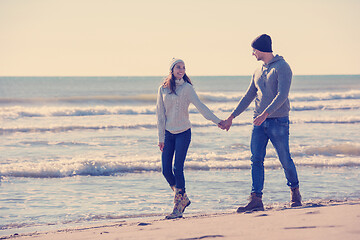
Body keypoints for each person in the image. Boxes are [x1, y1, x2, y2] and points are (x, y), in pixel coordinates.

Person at [222, 34, 302, 212]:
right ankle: (256, 199)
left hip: (278, 121)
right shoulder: (258, 71)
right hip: (258, 122)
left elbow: (282, 96)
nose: (252, 54)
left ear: (261, 49)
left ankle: (295, 192)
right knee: (256, 160)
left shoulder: (283, 67)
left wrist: (266, 114)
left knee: (284, 159)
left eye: (254, 50)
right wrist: (231, 117)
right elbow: (249, 96)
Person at [156, 58, 224, 219]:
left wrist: (218, 121)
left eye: (183, 68)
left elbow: (201, 107)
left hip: (183, 133)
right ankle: (183, 198)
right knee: (166, 170)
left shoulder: (187, 88)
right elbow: (160, 114)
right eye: (178, 67)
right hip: (168, 134)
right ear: (171, 70)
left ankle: (178, 206)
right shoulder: (162, 89)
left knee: (177, 168)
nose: (181, 70)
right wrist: (161, 137)